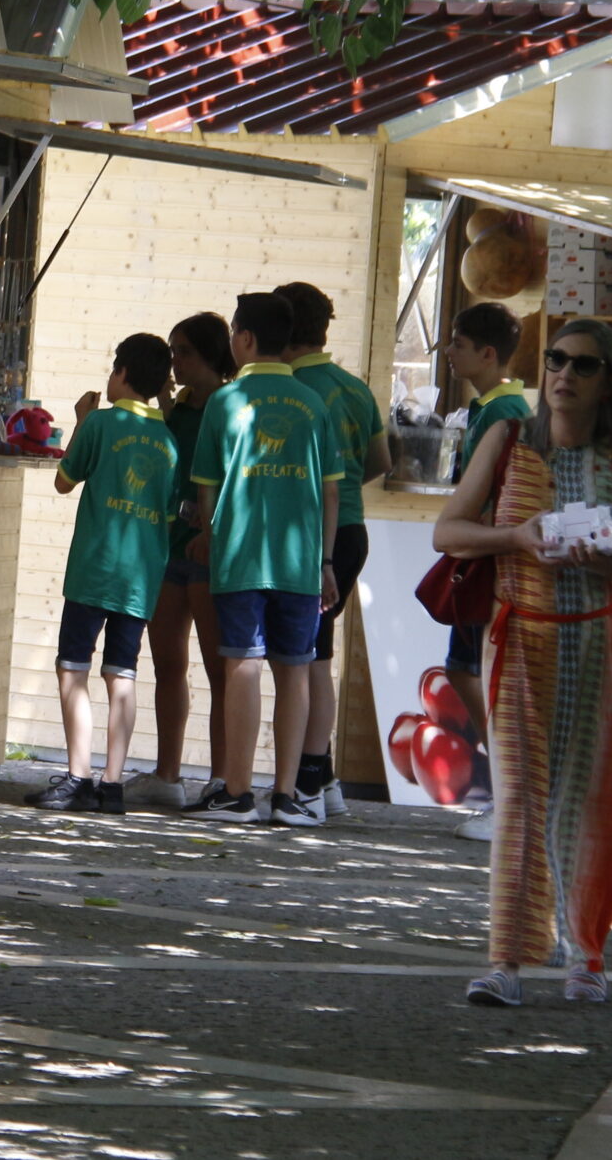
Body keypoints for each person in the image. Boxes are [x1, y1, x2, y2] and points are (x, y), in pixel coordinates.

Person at [433, 318, 612, 1007]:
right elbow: (447, 530)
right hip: (522, 639)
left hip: (598, 643)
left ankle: (586, 951)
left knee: (588, 799)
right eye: (555, 359)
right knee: (517, 799)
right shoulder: (508, 440)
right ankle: (506, 960)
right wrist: (516, 535)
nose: (564, 374)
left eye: (583, 364)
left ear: (609, 385)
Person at [181, 293, 340, 826]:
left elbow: (206, 489)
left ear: (245, 339)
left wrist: (210, 533)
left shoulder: (225, 403)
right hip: (300, 563)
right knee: (295, 670)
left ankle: (239, 791)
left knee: (243, 664)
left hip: (242, 558)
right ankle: (289, 795)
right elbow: (332, 491)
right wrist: (326, 562)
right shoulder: (314, 403)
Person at [25, 333, 178, 814]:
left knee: (73, 666)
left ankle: (78, 777)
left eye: (114, 370)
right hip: (140, 577)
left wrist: (80, 423)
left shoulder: (102, 424)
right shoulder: (169, 442)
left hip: (94, 569)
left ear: (123, 374)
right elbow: (169, 513)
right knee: (123, 673)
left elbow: (64, 481)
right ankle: (113, 784)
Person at [275, 281, 389, 817]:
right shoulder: (355, 387)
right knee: (318, 653)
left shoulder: (290, 388)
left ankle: (309, 781)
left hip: (312, 534)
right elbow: (380, 461)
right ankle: (327, 783)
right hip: (352, 532)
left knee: (310, 660)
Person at [131, 313, 236, 808]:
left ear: (213, 356)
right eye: (172, 350)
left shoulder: (229, 405)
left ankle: (220, 777)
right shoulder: (178, 406)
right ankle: (167, 774)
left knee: (221, 670)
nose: (174, 361)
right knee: (168, 662)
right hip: (169, 546)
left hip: (212, 552)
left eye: (184, 352)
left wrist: (213, 531)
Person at [442, 302, 531, 843]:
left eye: (456, 344)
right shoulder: (491, 408)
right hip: (482, 554)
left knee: (482, 677)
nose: (449, 353)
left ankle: (509, 796)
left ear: (487, 353)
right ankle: (505, 791)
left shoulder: (504, 412)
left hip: (490, 562)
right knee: (463, 669)